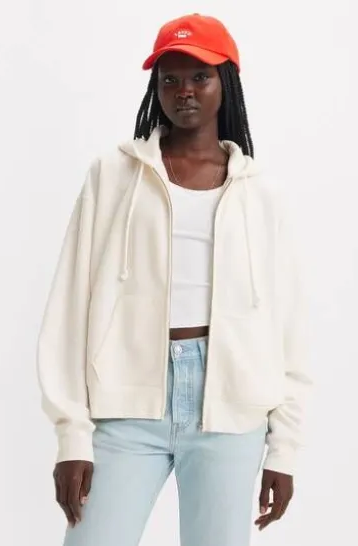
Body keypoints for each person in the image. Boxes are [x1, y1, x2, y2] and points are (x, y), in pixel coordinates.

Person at [35, 13, 311, 546]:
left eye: (200, 77)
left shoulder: (261, 193)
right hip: (126, 402)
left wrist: (285, 449)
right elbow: (69, 305)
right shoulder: (113, 175)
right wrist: (72, 435)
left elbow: (289, 325)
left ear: (225, 82)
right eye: (170, 79)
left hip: (230, 407)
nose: (184, 90)